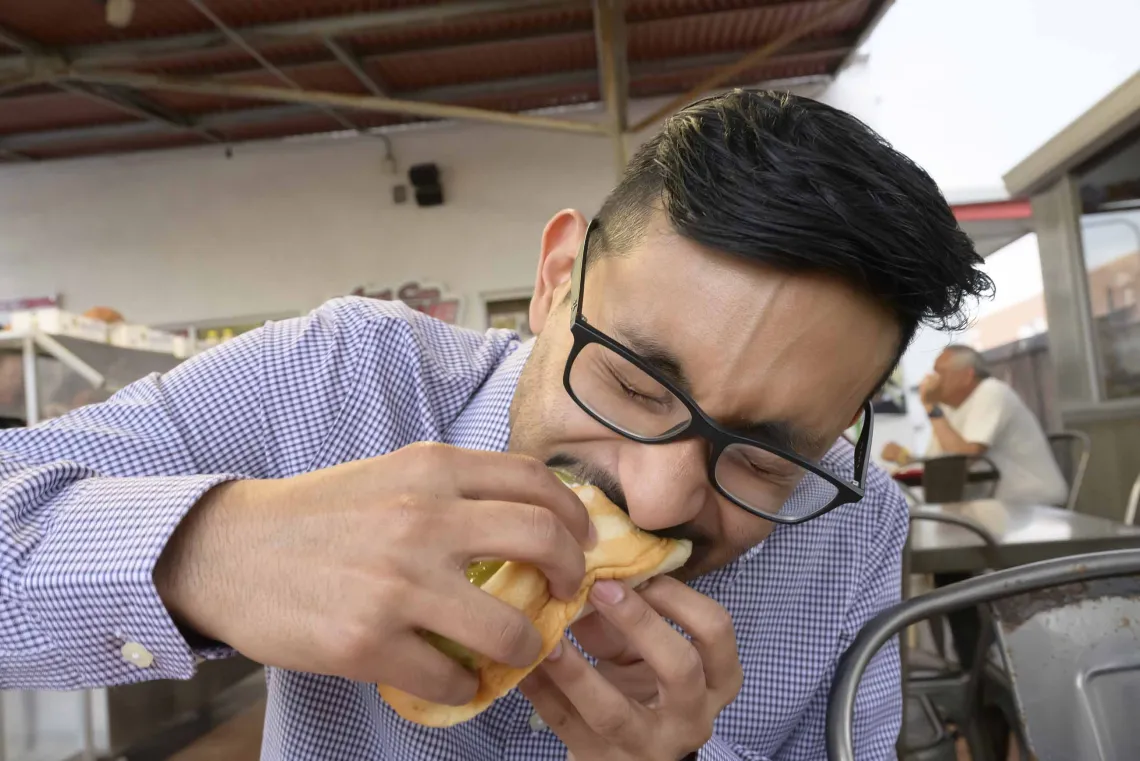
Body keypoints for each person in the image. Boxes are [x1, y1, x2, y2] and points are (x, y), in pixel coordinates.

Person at [0, 90, 990, 761]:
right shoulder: (345, 380)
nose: (654, 497)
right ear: (555, 283)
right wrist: (208, 553)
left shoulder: (857, 531)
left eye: (768, 456)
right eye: (636, 383)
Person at [882, 345, 1067, 506]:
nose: (932, 379)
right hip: (993, 505)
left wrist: (931, 407)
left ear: (967, 375)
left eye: (940, 372)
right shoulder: (948, 409)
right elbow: (942, 461)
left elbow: (964, 458)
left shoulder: (991, 391)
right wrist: (906, 458)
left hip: (1032, 503)